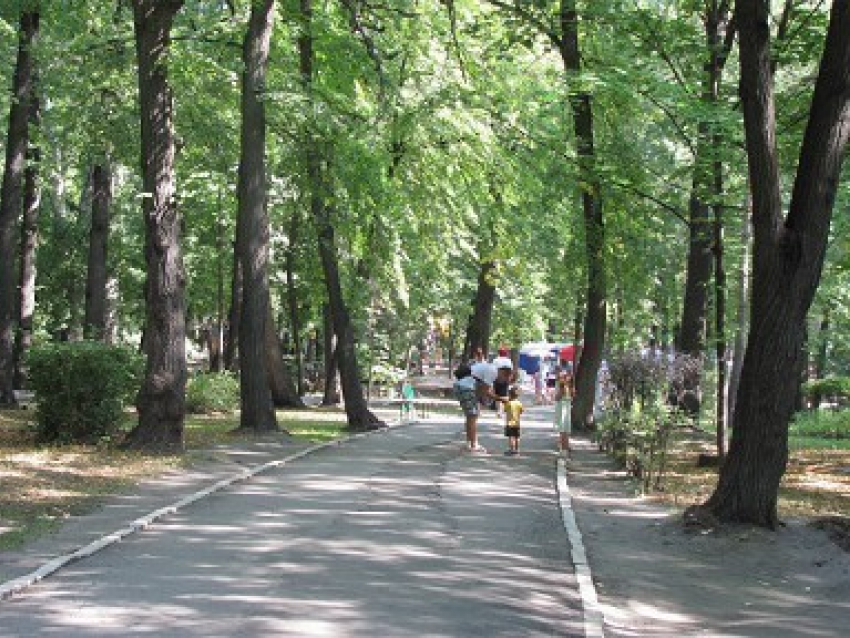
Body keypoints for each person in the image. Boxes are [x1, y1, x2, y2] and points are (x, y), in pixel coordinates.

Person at [452, 360, 508, 453]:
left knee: (470, 417)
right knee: (473, 417)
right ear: (503, 373)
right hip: (466, 388)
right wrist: (501, 399)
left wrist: (481, 401)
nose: (503, 382)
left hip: (462, 386)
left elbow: (482, 390)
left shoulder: (490, 369)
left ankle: (469, 443)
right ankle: (474, 445)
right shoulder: (493, 372)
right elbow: (485, 391)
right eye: (505, 379)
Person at [553, 367, 573, 457]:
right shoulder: (566, 385)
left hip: (563, 406)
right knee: (565, 427)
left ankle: (564, 446)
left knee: (563, 427)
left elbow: (558, 396)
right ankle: (565, 445)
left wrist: (556, 397)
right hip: (565, 406)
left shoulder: (563, 384)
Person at [491, 347, 513, 417]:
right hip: (505, 379)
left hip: (497, 379)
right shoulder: (509, 361)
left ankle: (498, 411)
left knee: (497, 394)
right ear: (506, 353)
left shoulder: (495, 360)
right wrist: (510, 379)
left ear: (499, 353)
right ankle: (501, 411)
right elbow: (511, 371)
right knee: (504, 394)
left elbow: (493, 370)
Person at [503, 386, 524, 456]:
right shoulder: (519, 403)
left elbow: (505, 410)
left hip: (509, 423)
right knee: (517, 437)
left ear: (510, 395)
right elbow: (521, 411)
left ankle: (512, 450)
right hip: (517, 423)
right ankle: (517, 450)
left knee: (511, 437)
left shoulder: (508, 403)